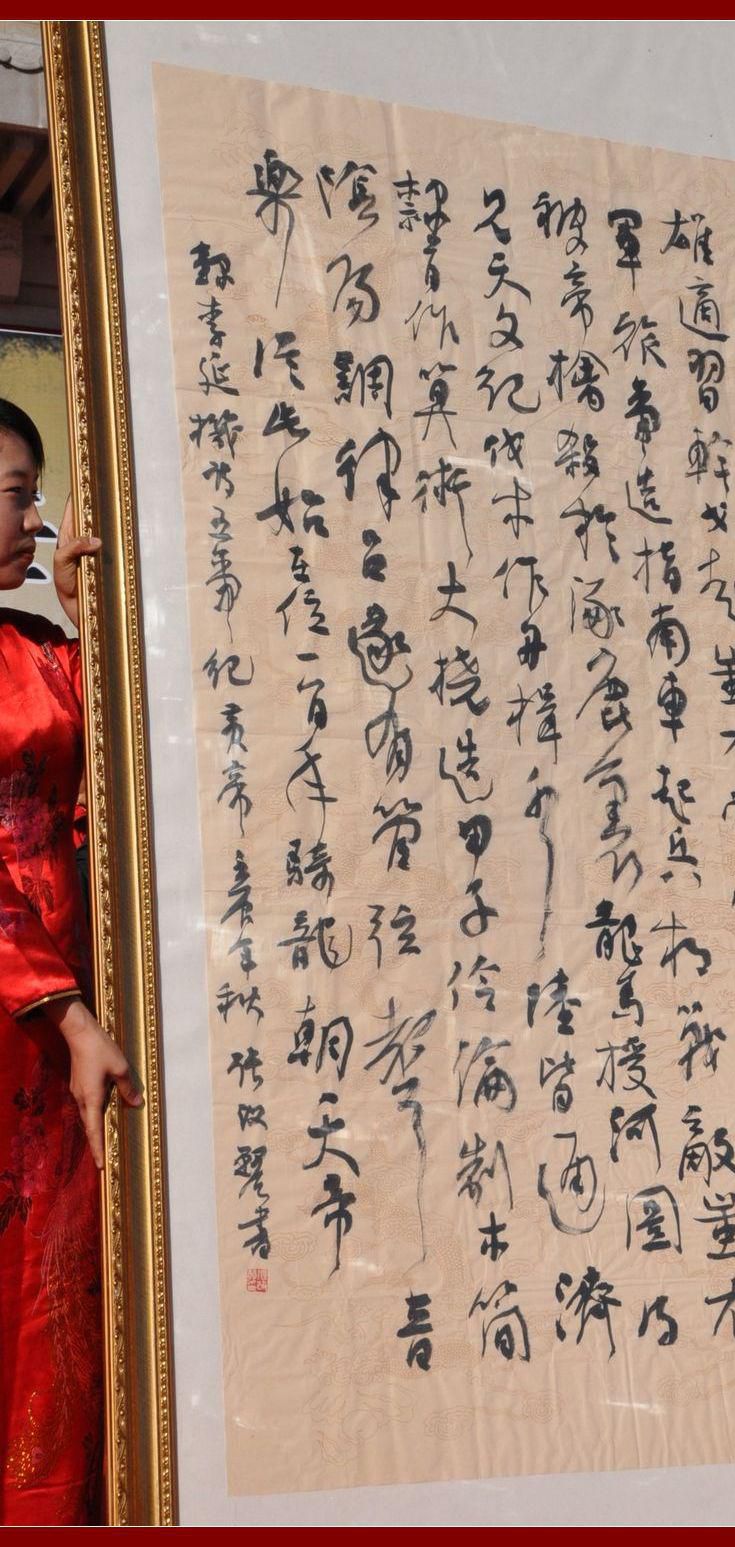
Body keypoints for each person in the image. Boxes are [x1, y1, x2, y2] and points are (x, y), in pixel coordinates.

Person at [0, 399, 142, 1525]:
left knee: (64, 1284)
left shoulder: (37, 650)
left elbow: (120, 786)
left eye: (36, 494)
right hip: (32, 1012)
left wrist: (94, 628)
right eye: (17, 493)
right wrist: (63, 1007)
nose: (37, 518)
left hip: (67, 1030)